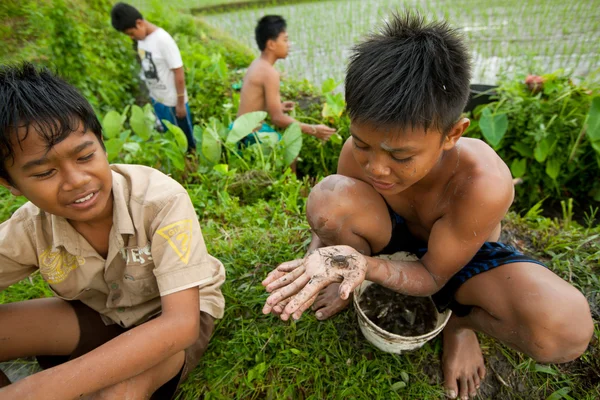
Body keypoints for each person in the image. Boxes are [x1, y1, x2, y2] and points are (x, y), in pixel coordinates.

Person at [261, 12, 593, 400]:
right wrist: (324, 260)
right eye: (363, 144)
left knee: (566, 331)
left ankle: (461, 325)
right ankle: (352, 283)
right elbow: (334, 216)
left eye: (401, 156)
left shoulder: (482, 184)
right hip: (392, 229)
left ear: (453, 133)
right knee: (329, 198)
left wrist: (365, 265)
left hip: (455, 257)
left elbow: (433, 276)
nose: (377, 168)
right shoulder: (360, 154)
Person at [0, 63, 225, 399]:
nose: (76, 181)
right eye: (45, 173)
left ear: (102, 144)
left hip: (169, 323)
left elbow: (181, 325)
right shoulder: (30, 227)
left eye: (85, 156)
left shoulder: (160, 202)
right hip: (102, 316)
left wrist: (31, 391)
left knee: (117, 394)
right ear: (10, 183)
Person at [237, 15, 336, 145]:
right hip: (248, 135)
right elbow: (277, 119)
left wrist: (278, 107)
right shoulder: (269, 73)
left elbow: (254, 103)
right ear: (271, 44)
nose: (288, 45)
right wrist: (313, 129)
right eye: (285, 40)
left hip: (239, 130)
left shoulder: (257, 64)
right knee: (288, 149)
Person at [111, 2, 196, 153]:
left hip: (173, 102)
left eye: (131, 33)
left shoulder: (163, 40)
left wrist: (181, 103)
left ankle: (192, 171)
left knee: (186, 144)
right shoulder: (142, 40)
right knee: (171, 142)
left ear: (139, 23)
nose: (131, 37)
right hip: (158, 99)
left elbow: (179, 72)